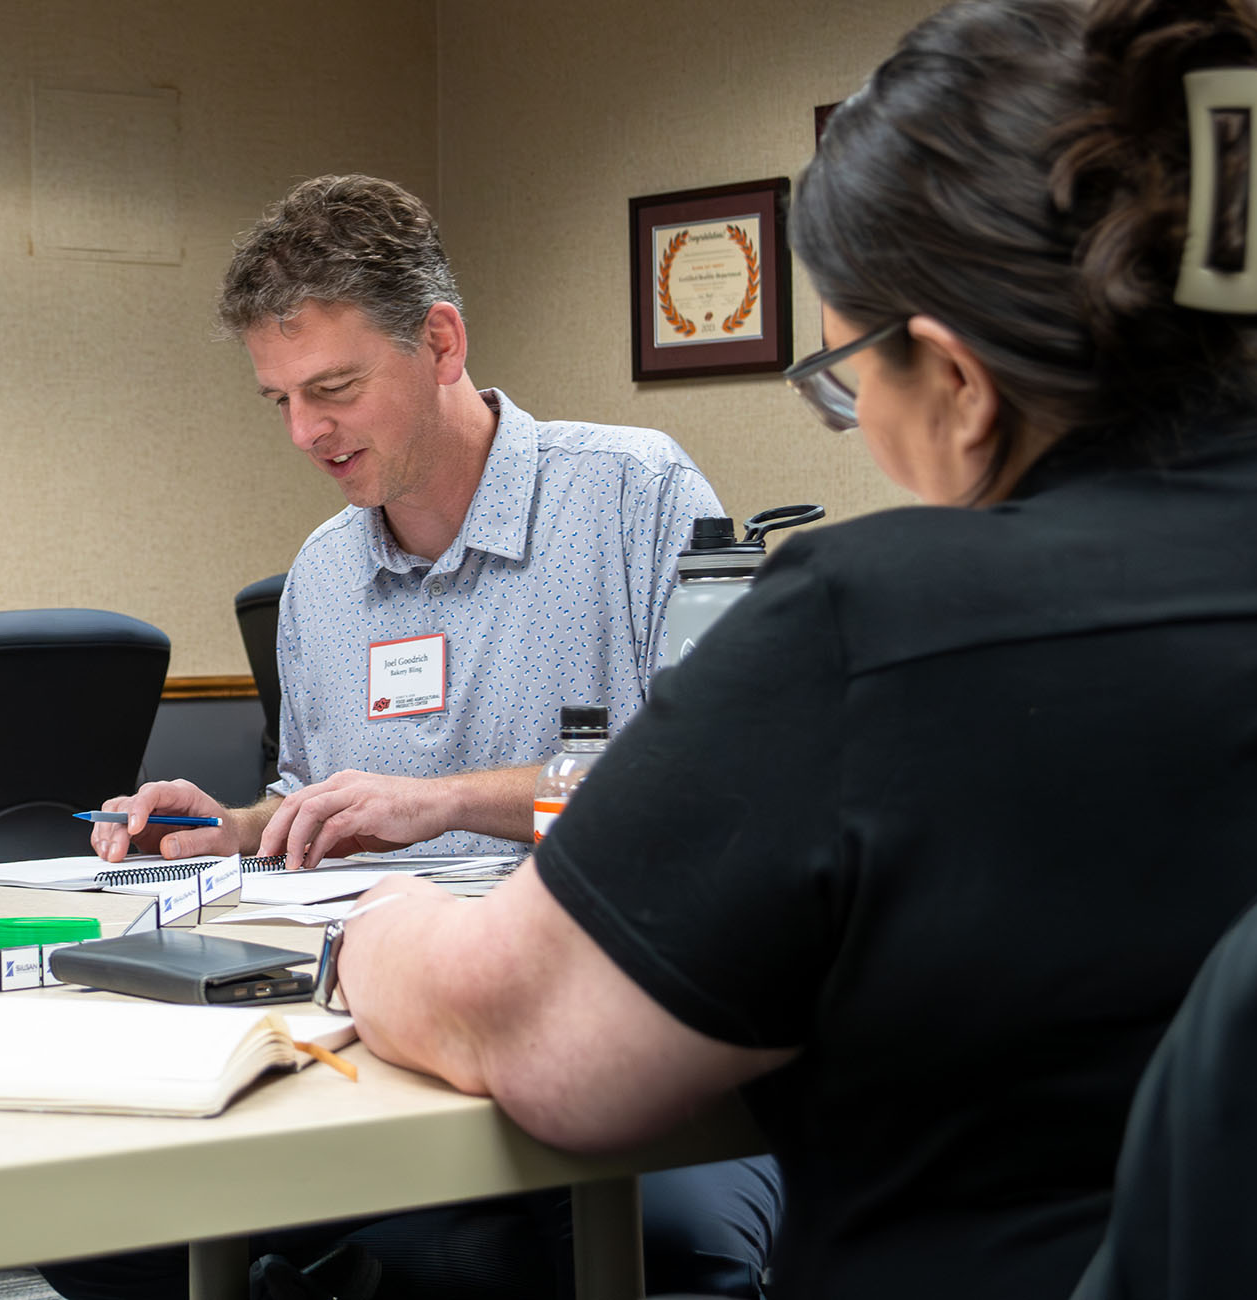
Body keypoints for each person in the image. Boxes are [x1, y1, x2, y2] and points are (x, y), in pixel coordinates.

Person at [329, 2, 1257, 1298]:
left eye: (843, 382)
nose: (856, 422)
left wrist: (381, 929)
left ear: (956, 378)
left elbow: (530, 1033)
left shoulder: (875, 627)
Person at [51, 177, 775, 1297]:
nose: (305, 433)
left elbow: (716, 800)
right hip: (362, 1023)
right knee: (102, 1226)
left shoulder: (633, 495)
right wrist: (237, 827)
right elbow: (321, 806)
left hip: (589, 1009)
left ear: (440, 343)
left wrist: (442, 800)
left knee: (622, 1246)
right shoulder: (324, 575)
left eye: (333, 388)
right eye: (278, 400)